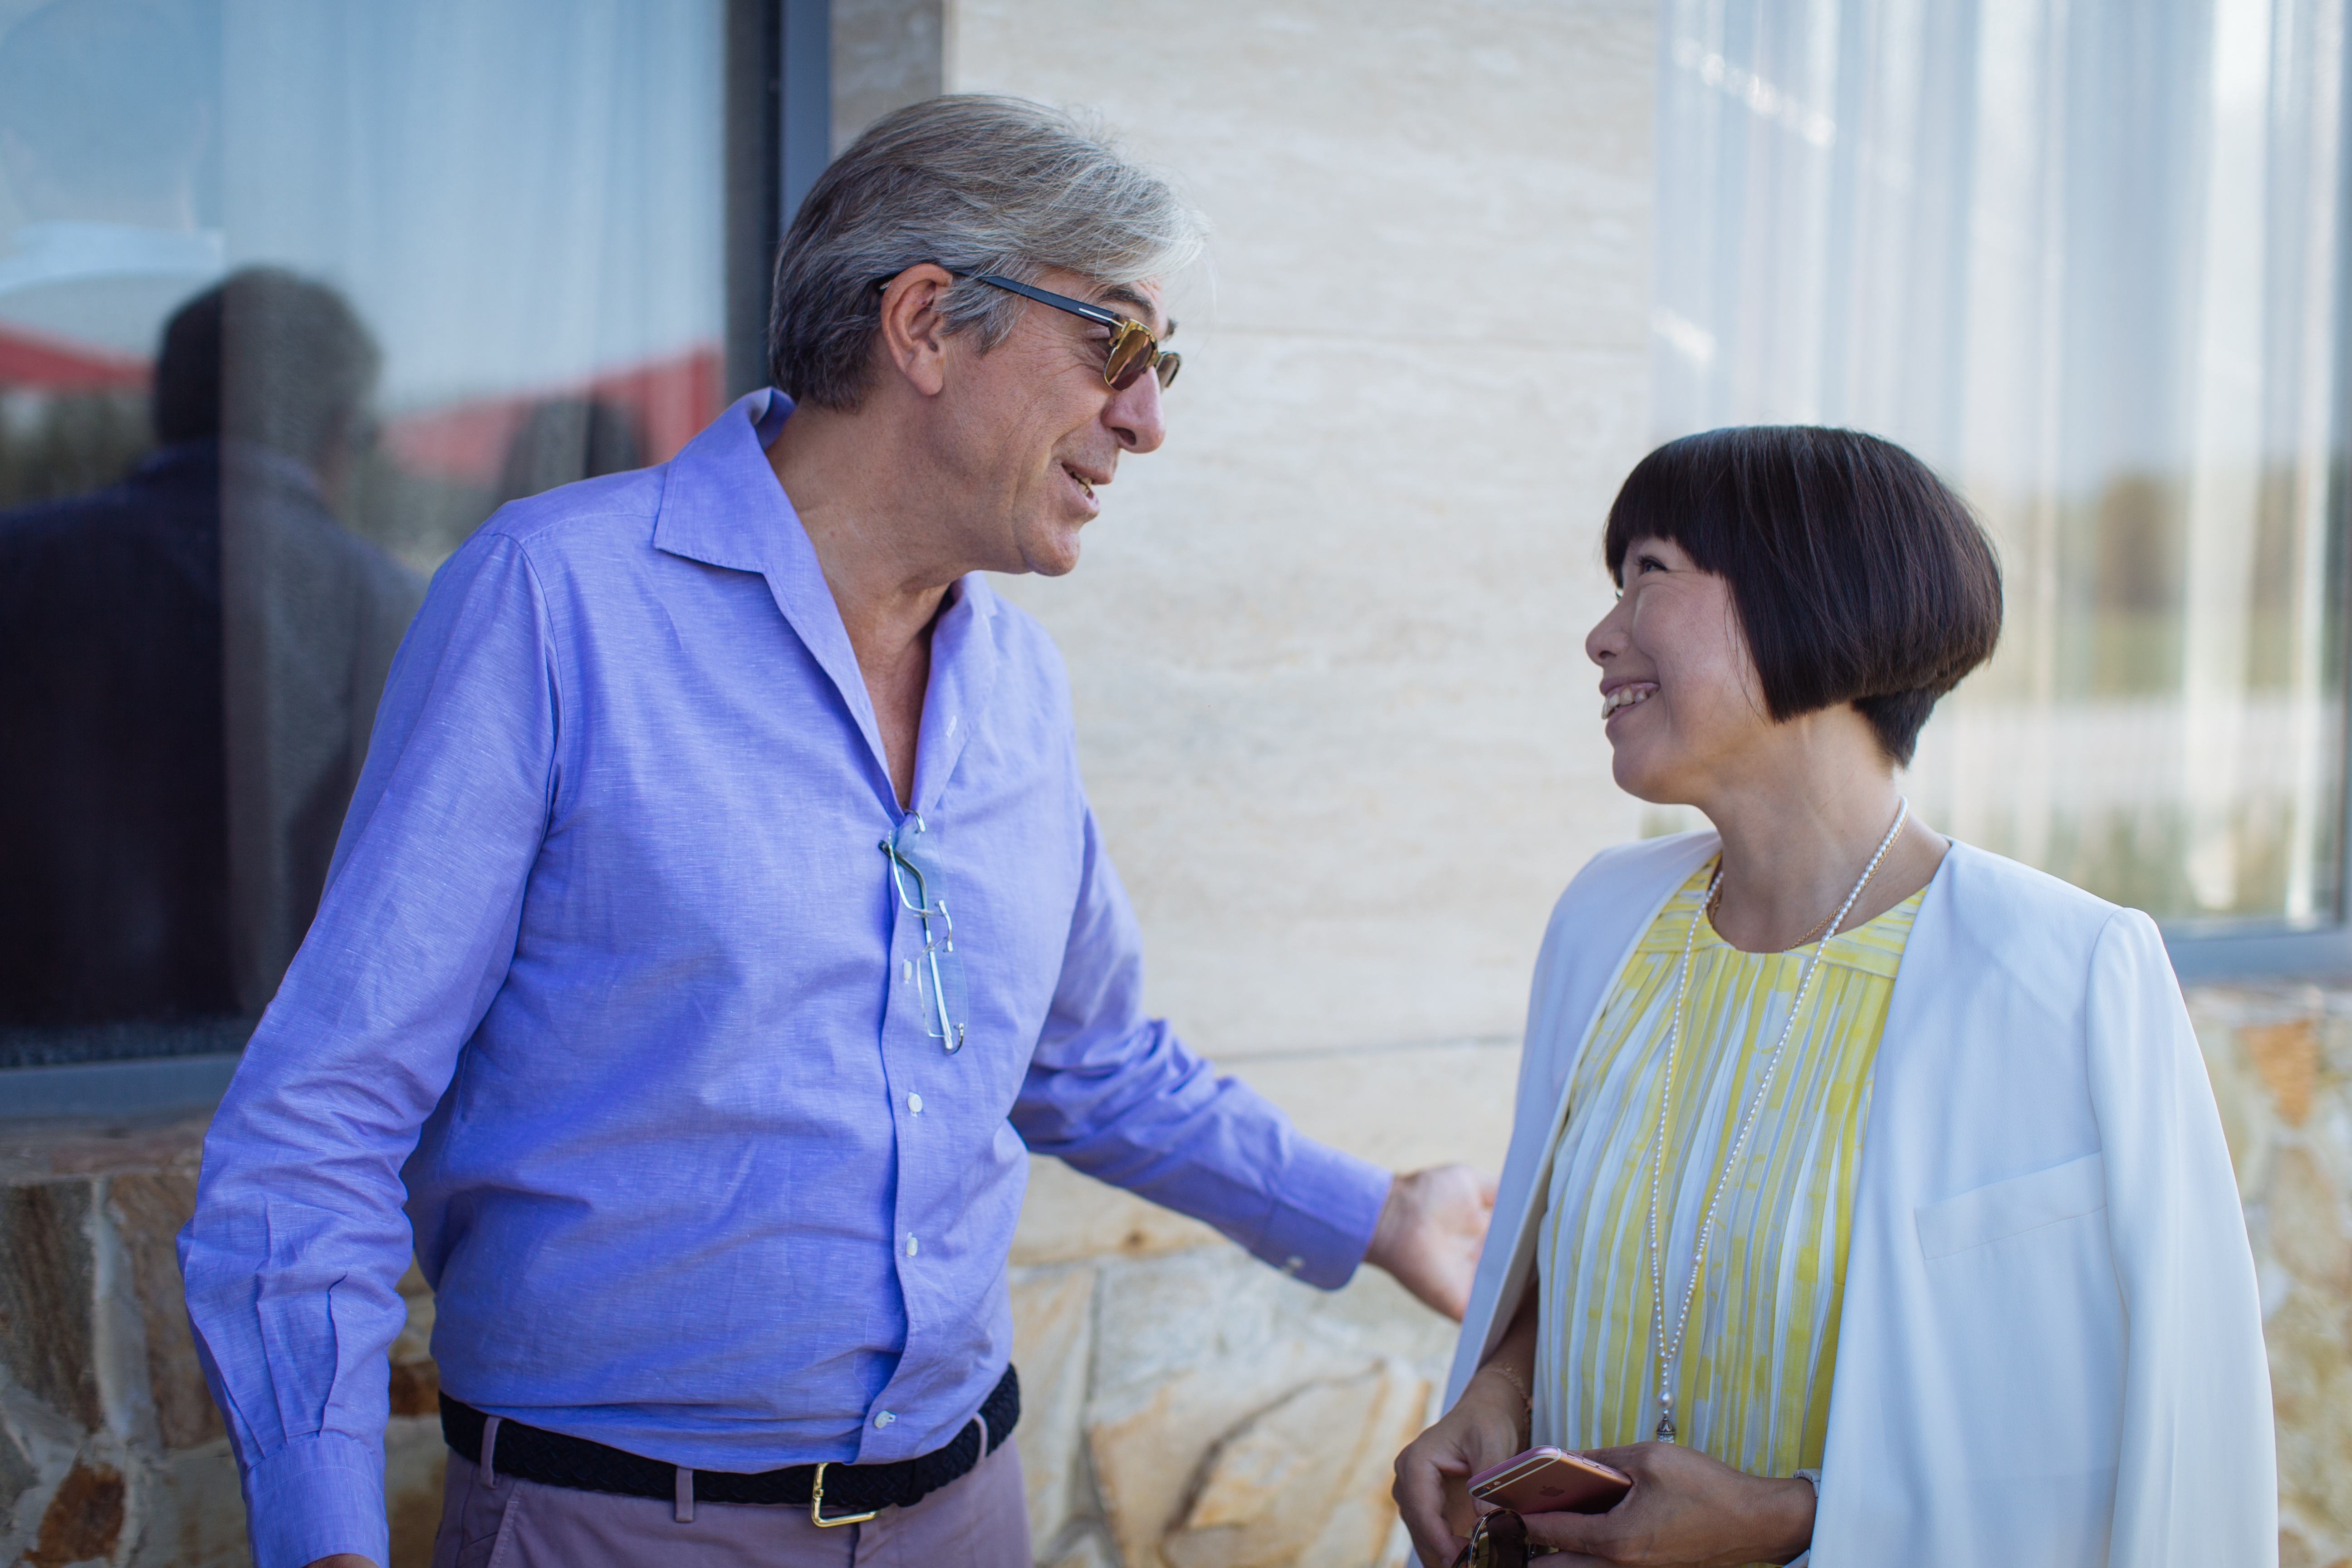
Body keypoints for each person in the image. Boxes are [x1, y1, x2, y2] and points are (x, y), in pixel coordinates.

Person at [180, 96, 1493, 1568]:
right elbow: (317, 1124)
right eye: (1117, 347)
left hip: (964, 1510)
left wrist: (1378, 1211)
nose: (1148, 418)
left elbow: (1087, 1060)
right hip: (617, 1530)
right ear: (926, 324)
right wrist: (322, 1541)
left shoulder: (1017, 680)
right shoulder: (555, 605)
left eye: (1161, 365)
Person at [1393, 426, 2273, 1567]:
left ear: (1814, 596)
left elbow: (2156, 1442)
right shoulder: (1604, 925)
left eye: (1649, 575)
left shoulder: (2063, 974)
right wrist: (1498, 1391)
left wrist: (1795, 1521)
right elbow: (1571, 1260)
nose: (1602, 635)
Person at [0, 267, 419, 1028]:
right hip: (282, 1068)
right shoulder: (388, 606)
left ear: (165, 409)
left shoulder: (21, 561)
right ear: (337, 430)